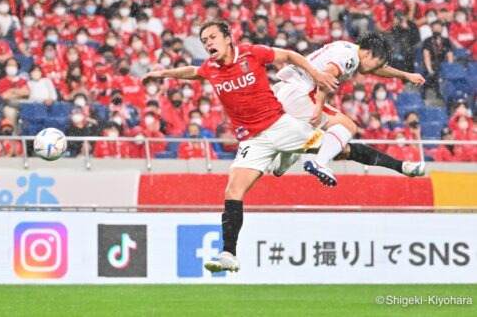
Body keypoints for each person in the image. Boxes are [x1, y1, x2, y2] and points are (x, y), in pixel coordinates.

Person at [142, 20, 338, 273]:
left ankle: (401, 165)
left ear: (228, 38)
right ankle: (228, 254)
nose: (208, 43)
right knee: (232, 191)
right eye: (204, 41)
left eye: (212, 37)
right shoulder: (210, 67)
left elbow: (288, 54)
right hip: (252, 139)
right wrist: (164, 73)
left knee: (340, 145)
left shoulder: (251, 53)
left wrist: (316, 74)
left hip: (278, 123)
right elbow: (193, 71)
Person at [272, 33, 426, 187]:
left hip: (290, 90)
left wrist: (405, 75)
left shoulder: (350, 50)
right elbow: (326, 74)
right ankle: (320, 163)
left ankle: (284, 161)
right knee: (348, 127)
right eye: (377, 63)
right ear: (367, 54)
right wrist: (319, 107)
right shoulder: (349, 57)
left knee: (334, 144)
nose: (378, 68)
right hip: (300, 94)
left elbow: (374, 69)